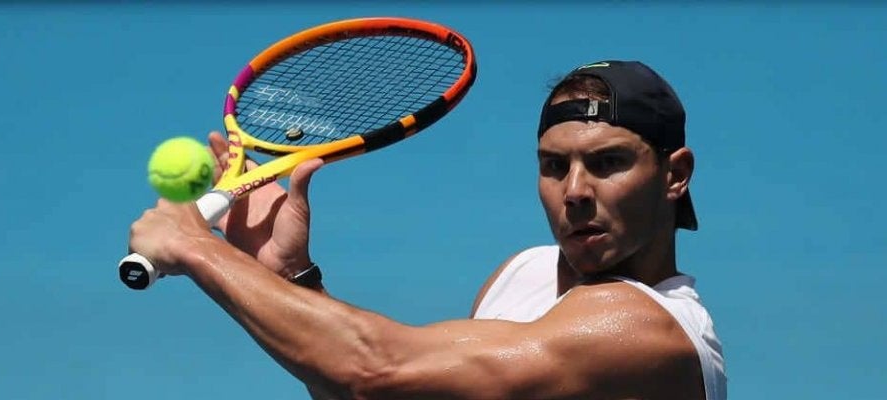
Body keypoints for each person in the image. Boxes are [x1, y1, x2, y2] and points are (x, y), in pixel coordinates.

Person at [127, 60, 727, 399]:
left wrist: (195, 247)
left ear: (674, 176)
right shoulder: (523, 274)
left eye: (607, 162)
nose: (574, 191)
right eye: (553, 166)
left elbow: (377, 369)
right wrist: (290, 278)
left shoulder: (650, 330)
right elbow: (391, 392)